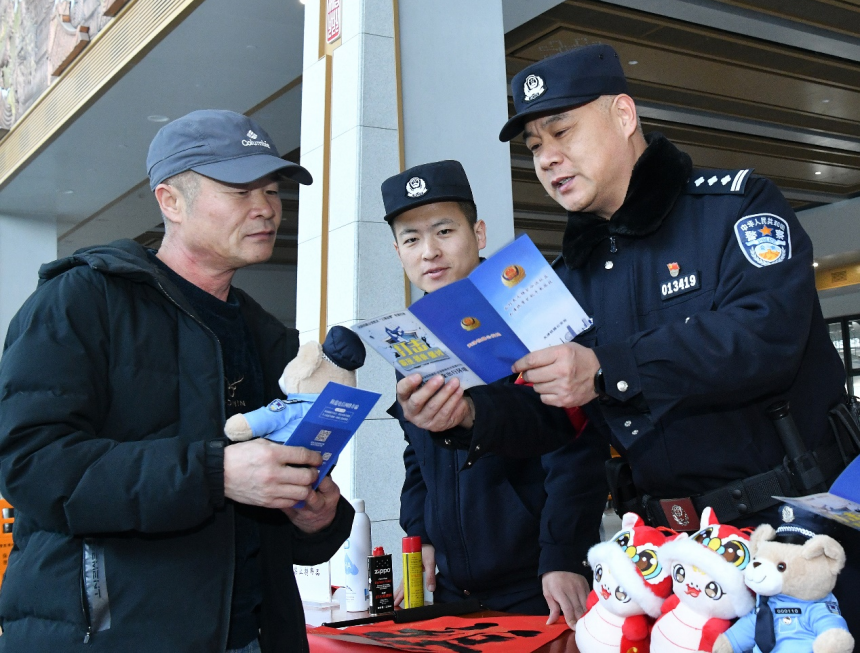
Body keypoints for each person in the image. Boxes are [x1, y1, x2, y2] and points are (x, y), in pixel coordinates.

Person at [397, 44, 860, 634]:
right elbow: (556, 417)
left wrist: (607, 368)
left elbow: (766, 335)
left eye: (562, 132)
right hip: (665, 558)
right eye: (536, 146)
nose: (548, 159)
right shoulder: (568, 277)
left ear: (623, 115)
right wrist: (467, 414)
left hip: (789, 539)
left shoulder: (731, 207)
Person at [0, 109, 355, 652]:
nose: (266, 208)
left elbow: (268, 513)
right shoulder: (81, 301)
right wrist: (213, 473)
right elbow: (31, 464)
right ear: (171, 201)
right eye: (240, 189)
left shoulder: (266, 336)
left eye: (272, 190)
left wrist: (319, 518)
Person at [383, 160, 607, 626]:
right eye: (411, 239)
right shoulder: (413, 338)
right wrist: (419, 534)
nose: (429, 252)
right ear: (398, 251)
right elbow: (417, 454)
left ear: (479, 234)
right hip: (449, 589)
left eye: (444, 231)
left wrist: (563, 554)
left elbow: (577, 444)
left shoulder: (529, 310)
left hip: (537, 584)